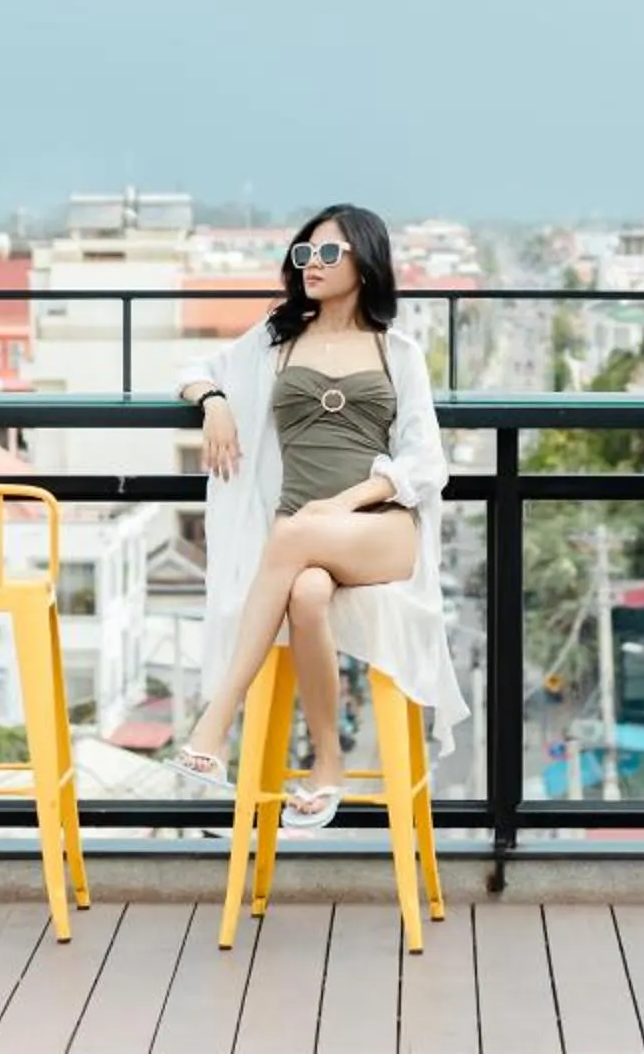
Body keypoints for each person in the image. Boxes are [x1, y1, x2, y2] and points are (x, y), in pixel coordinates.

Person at [169, 203, 467, 830]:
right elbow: (193, 370)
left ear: (365, 263)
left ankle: (213, 726)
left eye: (329, 254)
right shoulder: (278, 342)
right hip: (302, 544)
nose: (313, 265)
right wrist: (215, 402)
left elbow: (426, 461)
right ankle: (327, 765)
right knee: (305, 592)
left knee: (293, 534)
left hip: (381, 531)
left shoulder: (397, 351)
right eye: (305, 254)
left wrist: (346, 502)